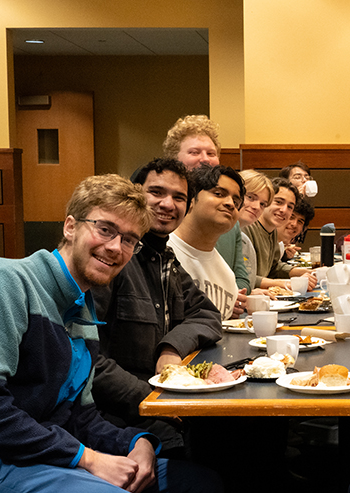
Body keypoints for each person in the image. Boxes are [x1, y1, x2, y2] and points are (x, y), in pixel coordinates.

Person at [0, 174, 220, 492]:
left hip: (39, 456)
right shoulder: (2, 282)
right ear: (70, 226)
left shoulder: (82, 309)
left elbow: (79, 416)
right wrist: (86, 458)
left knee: (199, 482)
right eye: (105, 229)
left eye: (129, 239)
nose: (115, 247)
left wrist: (138, 442)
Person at [91, 159, 222, 456]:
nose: (168, 204)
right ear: (136, 195)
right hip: (114, 412)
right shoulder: (113, 258)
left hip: (158, 400)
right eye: (157, 192)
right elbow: (87, 360)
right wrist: (153, 399)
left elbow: (207, 313)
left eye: (178, 197)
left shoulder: (165, 259)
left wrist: (170, 349)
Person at [163, 115, 250, 294]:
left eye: (211, 154)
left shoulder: (227, 219)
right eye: (194, 152)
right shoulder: (160, 212)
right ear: (174, 159)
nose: (205, 160)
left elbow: (235, 277)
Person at [168, 166, 246, 320]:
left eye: (236, 202)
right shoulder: (161, 254)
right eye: (219, 194)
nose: (230, 203)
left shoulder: (227, 277)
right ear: (191, 199)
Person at [243, 177, 316, 291]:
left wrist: (305, 272)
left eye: (290, 207)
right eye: (278, 202)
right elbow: (245, 277)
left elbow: (274, 267)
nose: (284, 210)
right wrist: (287, 283)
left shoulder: (271, 231)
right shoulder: (246, 228)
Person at [238, 169, 275, 291]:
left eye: (262, 204)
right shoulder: (217, 234)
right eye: (250, 197)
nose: (256, 207)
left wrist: (251, 294)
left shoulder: (244, 241)